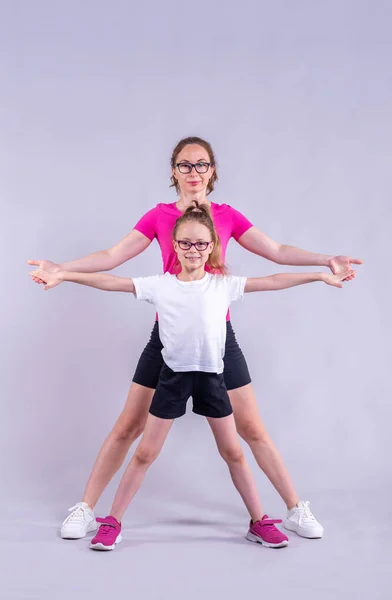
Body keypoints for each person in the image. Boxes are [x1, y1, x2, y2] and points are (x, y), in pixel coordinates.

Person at [28, 136, 363, 541]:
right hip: (167, 335)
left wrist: (323, 260)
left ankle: (293, 509)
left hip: (217, 336)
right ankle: (86, 509)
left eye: (201, 165)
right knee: (128, 426)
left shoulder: (227, 215)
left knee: (252, 429)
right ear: (173, 171)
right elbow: (113, 258)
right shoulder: (158, 216)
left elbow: (276, 252)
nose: (193, 172)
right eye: (184, 165)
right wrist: (61, 269)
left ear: (212, 171)